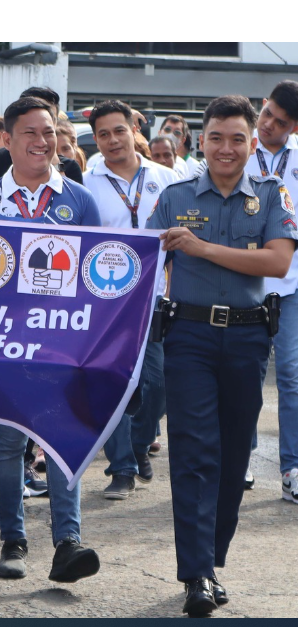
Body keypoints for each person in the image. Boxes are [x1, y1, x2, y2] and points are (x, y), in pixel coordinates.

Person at [146, 94, 298, 616]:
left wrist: (202, 248)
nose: (226, 148)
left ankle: (212, 558)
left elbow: (277, 262)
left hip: (248, 339)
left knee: (234, 459)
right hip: (187, 336)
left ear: (252, 143)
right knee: (194, 454)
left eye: (238, 138)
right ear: (200, 141)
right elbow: (136, 261)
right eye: (216, 137)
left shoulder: (273, 195)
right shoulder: (174, 196)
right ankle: (197, 573)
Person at [0, 96, 101, 583]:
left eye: (50, 133)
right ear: (6, 140)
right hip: (4, 342)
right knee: (7, 445)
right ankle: (12, 541)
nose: (43, 143)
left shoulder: (79, 200)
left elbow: (96, 278)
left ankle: (68, 541)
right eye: (31, 133)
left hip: (63, 345)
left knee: (64, 438)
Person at [83, 100, 178, 499]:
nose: (111, 140)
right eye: (102, 134)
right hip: (109, 301)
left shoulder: (169, 177)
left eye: (118, 130)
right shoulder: (87, 182)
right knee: (114, 384)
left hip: (156, 296)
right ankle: (120, 467)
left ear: (133, 130)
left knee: (157, 384)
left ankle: (139, 448)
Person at [243, 80, 298, 502]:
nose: (268, 126)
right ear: (262, 105)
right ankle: (240, 457)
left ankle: (291, 467)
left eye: (280, 124)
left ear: (294, 126)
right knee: (243, 375)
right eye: (267, 115)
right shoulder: (238, 149)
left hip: (292, 284)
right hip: (243, 281)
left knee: (292, 379)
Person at [0, 87, 84, 184]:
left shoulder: (70, 168)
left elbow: (71, 203)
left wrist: (56, 164)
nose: (40, 125)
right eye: (31, 129)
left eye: (48, 119)